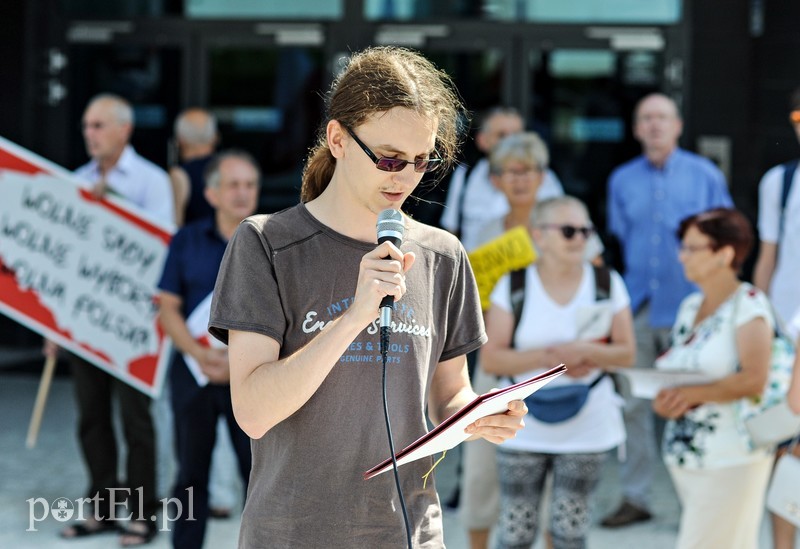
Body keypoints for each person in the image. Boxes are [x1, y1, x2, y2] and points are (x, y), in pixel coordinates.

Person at [207, 46, 526, 548]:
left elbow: (448, 397)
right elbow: (252, 411)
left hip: (410, 533)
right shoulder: (266, 244)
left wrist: (481, 414)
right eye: (388, 158)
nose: (404, 176)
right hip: (292, 533)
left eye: (422, 161)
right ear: (337, 138)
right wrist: (355, 315)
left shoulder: (443, 255)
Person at [459, 132, 602, 549]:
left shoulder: (565, 220)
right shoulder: (484, 233)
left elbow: (599, 284)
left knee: (550, 466)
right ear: (496, 180)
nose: (519, 180)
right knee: (482, 461)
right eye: (508, 172)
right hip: (499, 357)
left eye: (528, 171)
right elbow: (465, 298)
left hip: (561, 362)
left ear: (543, 176)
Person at [604, 92, 733, 527]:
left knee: (694, 403)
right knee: (634, 406)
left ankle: (694, 502)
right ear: (638, 129)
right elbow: (621, 239)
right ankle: (635, 497)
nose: (655, 125)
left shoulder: (705, 175)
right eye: (647, 119)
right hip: (639, 308)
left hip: (693, 311)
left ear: (677, 126)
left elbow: (726, 245)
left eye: (663, 118)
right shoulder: (621, 180)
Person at [481, 196, 635, 549]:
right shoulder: (514, 284)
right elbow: (492, 360)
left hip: (588, 422)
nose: (579, 239)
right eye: (568, 231)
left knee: (571, 533)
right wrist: (555, 358)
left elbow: (626, 353)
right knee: (515, 533)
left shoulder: (607, 282)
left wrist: (585, 352)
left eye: (585, 230)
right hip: (521, 421)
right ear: (540, 236)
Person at [57, 93, 174, 546]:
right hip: (85, 321)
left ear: (124, 130)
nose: (90, 134)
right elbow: (65, 257)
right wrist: (54, 325)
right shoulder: (76, 179)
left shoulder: (151, 181)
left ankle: (143, 514)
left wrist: (116, 202)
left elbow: (158, 243)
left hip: (134, 324)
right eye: (87, 126)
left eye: (99, 125)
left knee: (135, 419)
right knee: (91, 416)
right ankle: (102, 508)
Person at [652, 207, 774, 549]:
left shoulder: (749, 304)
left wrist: (691, 395)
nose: (681, 256)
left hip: (732, 457)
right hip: (689, 460)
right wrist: (666, 401)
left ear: (724, 254)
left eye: (692, 248)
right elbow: (678, 376)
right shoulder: (690, 306)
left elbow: (754, 379)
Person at [157, 150, 257, 548]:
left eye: (249, 185)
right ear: (212, 193)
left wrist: (237, 364)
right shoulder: (186, 240)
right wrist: (199, 356)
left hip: (250, 377)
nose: (242, 194)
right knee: (190, 475)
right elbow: (167, 307)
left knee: (258, 475)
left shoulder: (273, 243)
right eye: (233, 185)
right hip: (193, 373)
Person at [753, 85, 800, 549]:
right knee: (784, 445)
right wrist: (761, 319)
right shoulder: (779, 182)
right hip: (786, 331)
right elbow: (768, 256)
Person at [440, 106, 564, 252]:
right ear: (482, 141)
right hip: (475, 270)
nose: (511, 142)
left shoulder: (543, 175)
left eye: (517, 134)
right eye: (502, 135)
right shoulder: (465, 175)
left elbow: (562, 226)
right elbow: (451, 229)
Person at [169, 108, 218, 226]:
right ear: (214, 138)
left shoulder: (179, 175)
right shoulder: (228, 168)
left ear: (180, 140)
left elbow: (174, 223)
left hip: (194, 242)